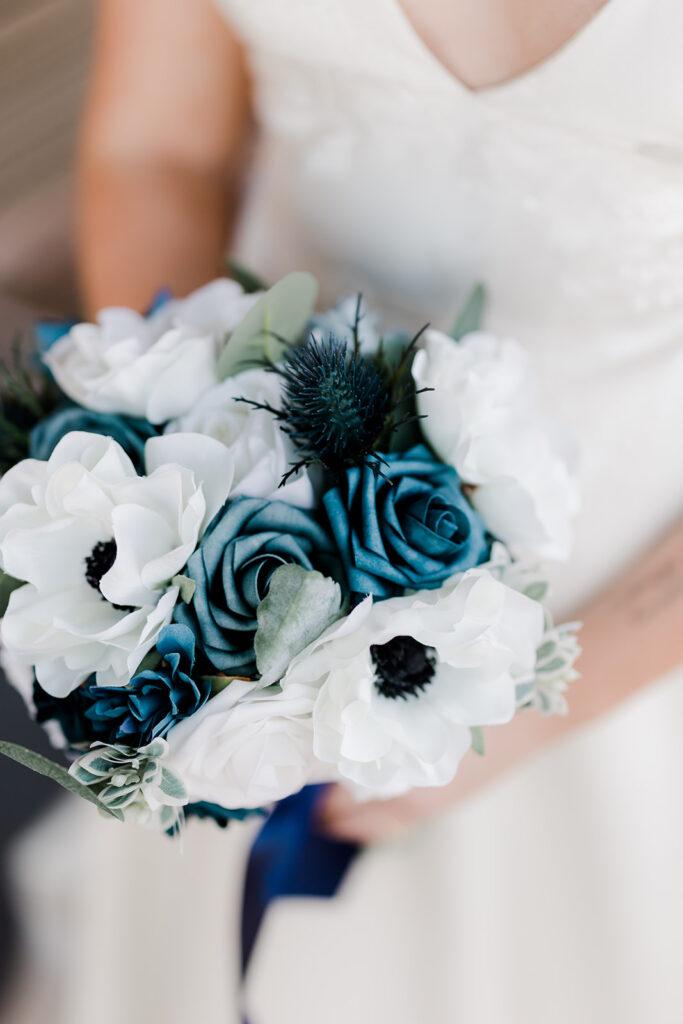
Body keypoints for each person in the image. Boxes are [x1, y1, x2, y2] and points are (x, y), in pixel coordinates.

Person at [6, 1, 683, 1021]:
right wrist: (197, 486)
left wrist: (526, 721)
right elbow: (158, 149)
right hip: (254, 492)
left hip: (624, 610)